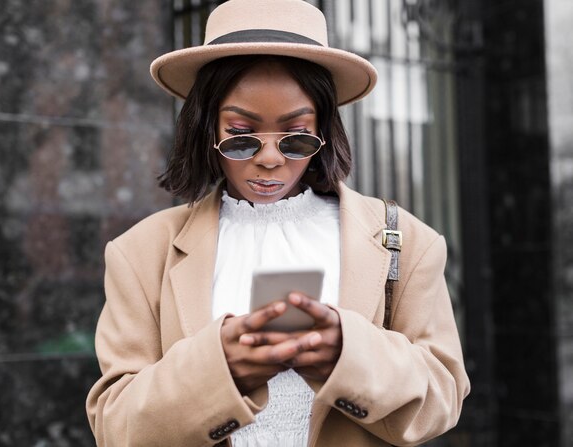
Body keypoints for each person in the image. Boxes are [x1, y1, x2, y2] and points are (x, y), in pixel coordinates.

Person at [85, 0, 471, 446]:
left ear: (324, 129)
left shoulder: (404, 240)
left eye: (296, 136)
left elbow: (443, 397)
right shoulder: (140, 253)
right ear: (206, 129)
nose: (269, 159)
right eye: (242, 135)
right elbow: (116, 427)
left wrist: (347, 354)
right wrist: (219, 369)